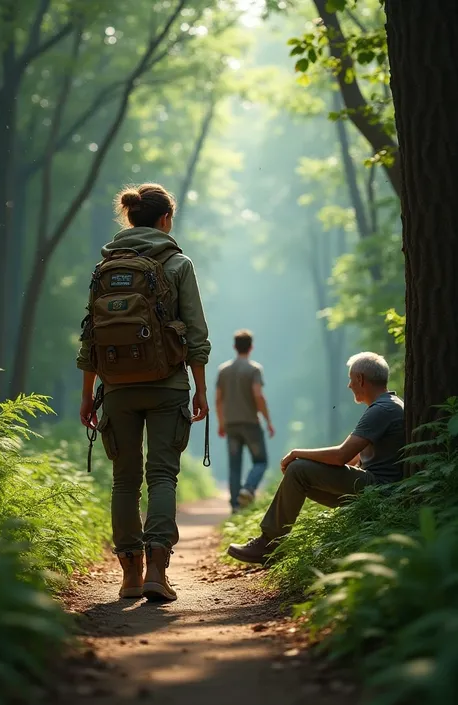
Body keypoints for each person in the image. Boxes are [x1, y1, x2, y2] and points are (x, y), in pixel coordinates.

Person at [77, 183, 210, 601]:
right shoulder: (178, 263)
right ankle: (157, 570)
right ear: (165, 219)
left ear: (130, 219)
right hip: (168, 384)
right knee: (162, 476)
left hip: (116, 388)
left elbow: (91, 339)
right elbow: (196, 334)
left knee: (124, 482)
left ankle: (129, 575)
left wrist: (88, 393)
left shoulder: (104, 268)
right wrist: (200, 390)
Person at [227, 352, 404, 564]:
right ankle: (272, 544)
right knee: (301, 473)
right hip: (378, 486)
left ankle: (269, 543)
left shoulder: (382, 409)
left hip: (379, 488)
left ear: (361, 379)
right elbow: (352, 458)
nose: (349, 386)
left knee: (298, 469)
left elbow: (341, 456)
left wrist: (297, 454)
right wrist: (313, 466)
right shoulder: (389, 404)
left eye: (351, 379)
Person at [216, 329, 274, 512]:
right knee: (260, 461)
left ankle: (235, 507)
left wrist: (221, 423)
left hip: (231, 425)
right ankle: (248, 489)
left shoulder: (223, 370)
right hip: (250, 424)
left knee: (234, 466)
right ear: (251, 347)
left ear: (234, 346)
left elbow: (218, 399)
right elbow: (258, 395)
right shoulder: (254, 369)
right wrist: (268, 420)